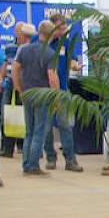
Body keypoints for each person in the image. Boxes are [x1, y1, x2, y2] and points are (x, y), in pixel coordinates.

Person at [13, 20, 59, 176]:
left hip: (27, 94)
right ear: (51, 35)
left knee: (29, 132)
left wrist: (19, 88)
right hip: (43, 96)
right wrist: (56, 97)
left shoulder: (24, 50)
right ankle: (33, 165)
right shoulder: (50, 53)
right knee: (40, 131)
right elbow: (52, 77)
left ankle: (26, 164)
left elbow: (15, 69)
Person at [44, 14, 83, 172]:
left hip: (62, 91)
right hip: (44, 92)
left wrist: (75, 66)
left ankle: (70, 160)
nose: (63, 30)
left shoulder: (66, 43)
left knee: (65, 125)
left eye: (64, 27)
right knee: (46, 127)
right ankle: (50, 158)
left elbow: (72, 60)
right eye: (60, 28)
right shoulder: (41, 43)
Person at [0, 22, 34, 158]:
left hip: (24, 84)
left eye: (22, 31)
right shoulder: (10, 48)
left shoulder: (30, 49)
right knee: (7, 115)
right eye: (17, 31)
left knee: (22, 116)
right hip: (9, 84)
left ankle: (22, 146)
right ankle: (7, 147)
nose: (19, 33)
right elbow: (6, 64)